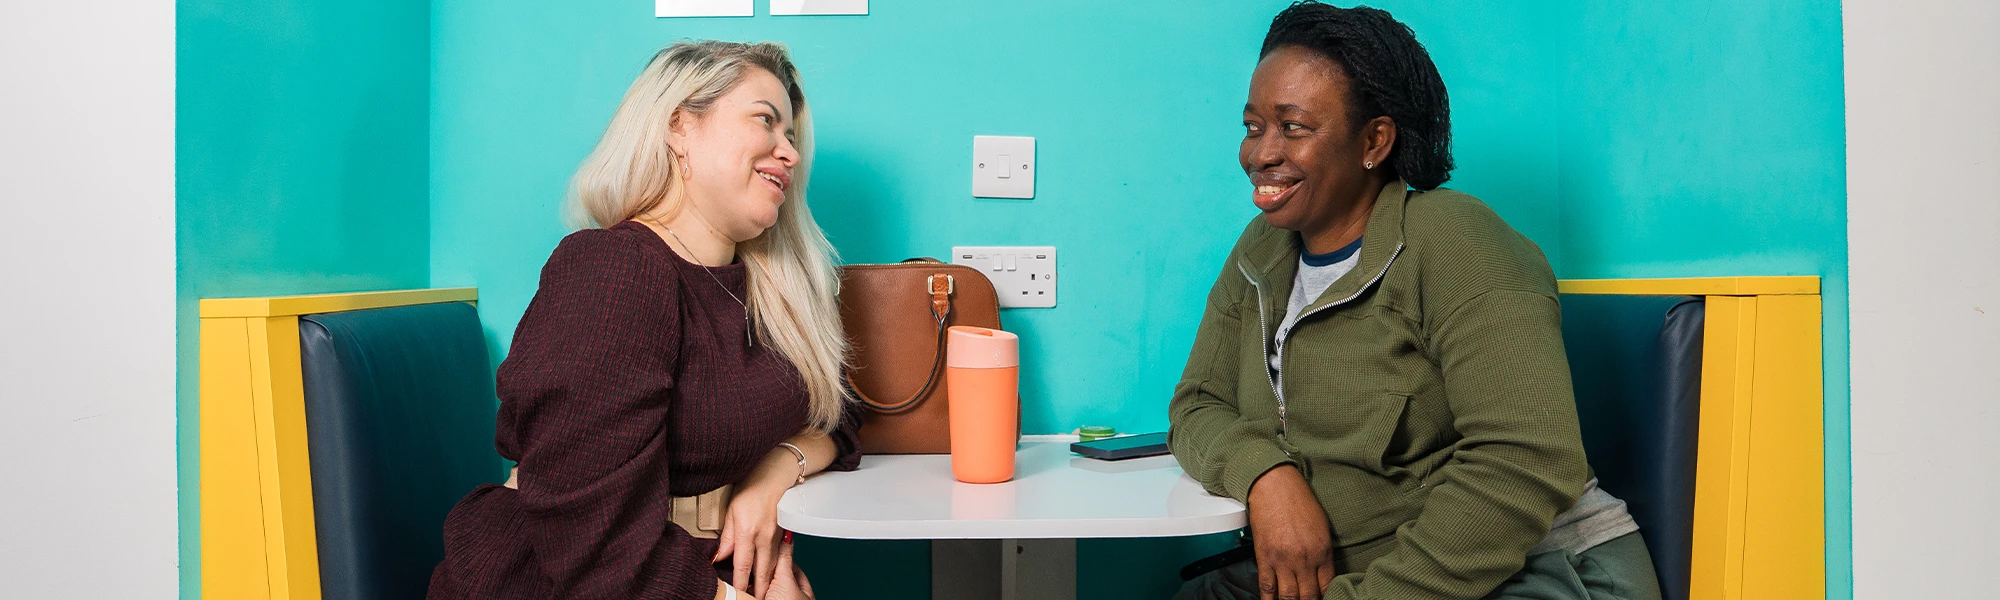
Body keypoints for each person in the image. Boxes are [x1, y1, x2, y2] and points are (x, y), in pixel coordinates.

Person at [1168, 4, 1662, 599]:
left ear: (1374, 140)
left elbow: (1523, 462)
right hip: (1360, 572)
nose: (1260, 154)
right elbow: (1197, 405)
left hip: (1535, 572)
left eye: (1293, 127)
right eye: (1253, 127)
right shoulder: (1263, 250)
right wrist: (1267, 476)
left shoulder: (1455, 241)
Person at [429, 40, 855, 600]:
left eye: (792, 138)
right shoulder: (614, 270)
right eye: (765, 122)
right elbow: (593, 551)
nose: (789, 154)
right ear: (679, 125)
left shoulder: (767, 290)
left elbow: (841, 414)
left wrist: (773, 474)